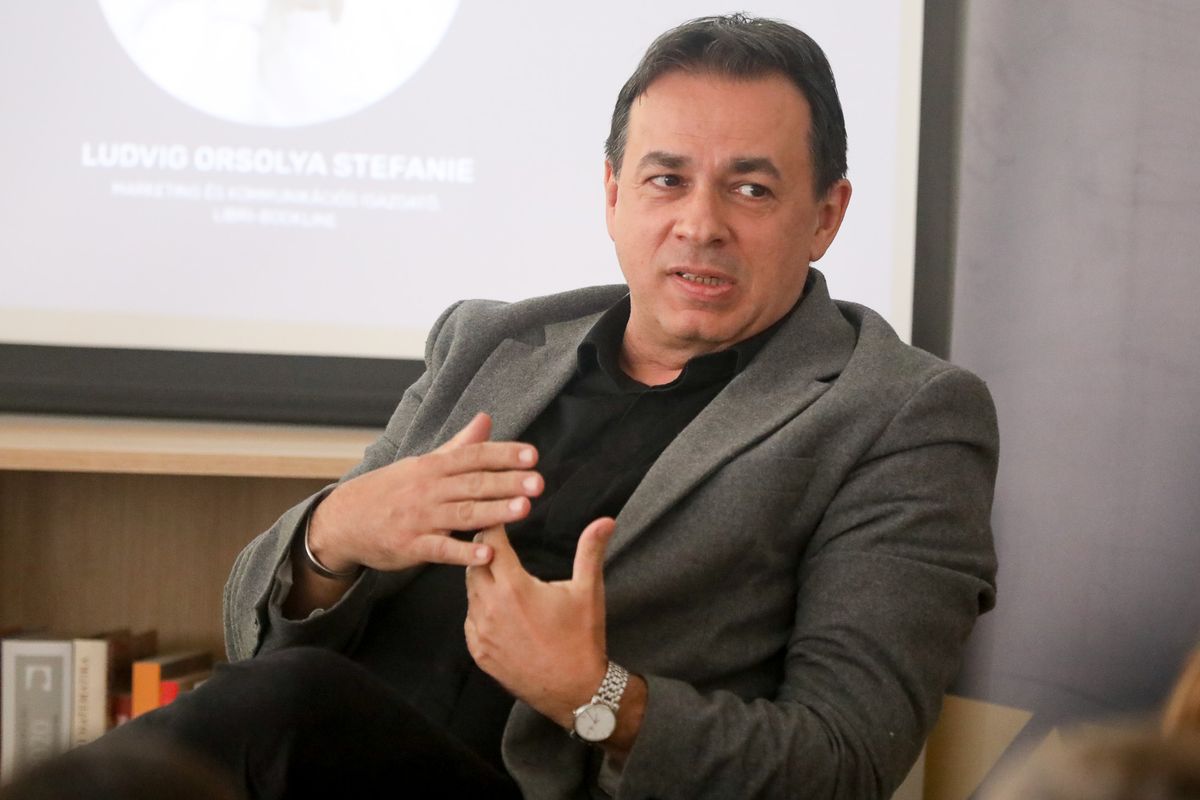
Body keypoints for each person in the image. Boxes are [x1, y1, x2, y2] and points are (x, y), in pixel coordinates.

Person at [116, 14, 999, 799]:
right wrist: (335, 531)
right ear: (613, 193)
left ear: (826, 216)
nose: (700, 224)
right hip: (304, 759)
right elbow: (250, 630)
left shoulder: (900, 415)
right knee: (267, 704)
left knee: (282, 705)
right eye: (666, 180)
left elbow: (842, 764)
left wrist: (591, 695)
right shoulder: (489, 341)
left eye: (751, 189)